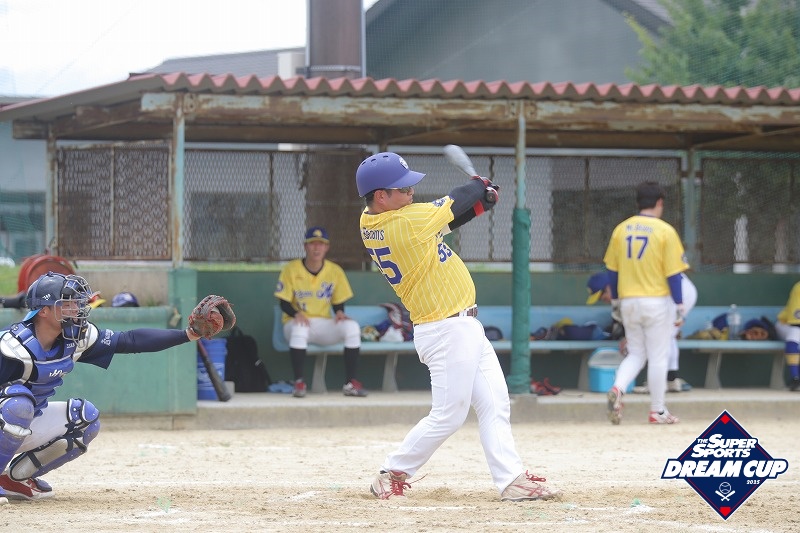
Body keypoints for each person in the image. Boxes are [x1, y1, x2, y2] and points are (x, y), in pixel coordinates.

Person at [356, 151, 559, 502]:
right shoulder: (405, 222)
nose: (411, 193)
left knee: (495, 403)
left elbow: (444, 221)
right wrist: (479, 187)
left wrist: (479, 204)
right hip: (445, 329)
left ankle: (511, 479)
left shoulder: (372, 220)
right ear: (380, 196)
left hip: (460, 326)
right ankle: (392, 472)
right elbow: (456, 200)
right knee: (449, 415)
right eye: (403, 189)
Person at [0, 271, 221, 504]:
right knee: (18, 405)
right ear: (44, 311)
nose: (75, 309)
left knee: (85, 418)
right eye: (66, 304)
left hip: (21, 424)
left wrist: (189, 334)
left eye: (75, 303)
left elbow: (130, 340)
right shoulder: (12, 347)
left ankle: (14, 480)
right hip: (9, 417)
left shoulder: (74, 338)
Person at [602, 181, 689, 425]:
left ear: (638, 202)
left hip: (628, 301)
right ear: (659, 202)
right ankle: (657, 411)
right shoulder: (665, 231)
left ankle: (618, 388)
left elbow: (612, 272)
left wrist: (616, 301)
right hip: (656, 302)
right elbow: (674, 275)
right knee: (658, 356)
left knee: (636, 353)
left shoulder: (621, 229)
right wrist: (680, 306)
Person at [274, 226, 367, 398]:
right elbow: (283, 302)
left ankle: (350, 383)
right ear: (305, 246)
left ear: (327, 247)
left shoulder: (334, 271)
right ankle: (299, 382)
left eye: (321, 244)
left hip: (323, 324)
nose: (317, 248)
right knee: (300, 328)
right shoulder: (291, 269)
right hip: (295, 323)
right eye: (312, 243)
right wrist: (296, 314)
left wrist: (339, 312)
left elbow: (338, 301)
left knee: (352, 327)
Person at [586, 270, 696, 392]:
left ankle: (658, 384)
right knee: (666, 336)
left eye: (603, 296)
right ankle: (670, 380)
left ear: (608, 287)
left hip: (677, 292)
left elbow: (643, 317)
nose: (604, 300)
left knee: (660, 337)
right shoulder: (623, 285)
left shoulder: (625, 286)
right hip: (675, 292)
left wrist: (630, 338)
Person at [775, 281, 800, 391]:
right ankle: (795, 377)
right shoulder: (798, 288)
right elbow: (796, 321)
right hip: (785, 324)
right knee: (795, 333)